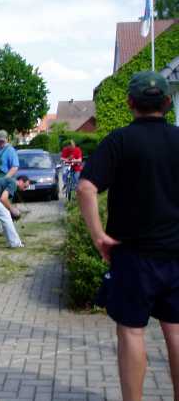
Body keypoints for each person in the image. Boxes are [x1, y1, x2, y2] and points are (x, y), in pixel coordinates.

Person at [77, 71, 179, 401]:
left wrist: (98, 236)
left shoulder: (119, 141)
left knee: (133, 332)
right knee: (176, 331)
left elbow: (86, 188)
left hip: (133, 255)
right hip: (176, 254)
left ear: (130, 103)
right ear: (167, 103)